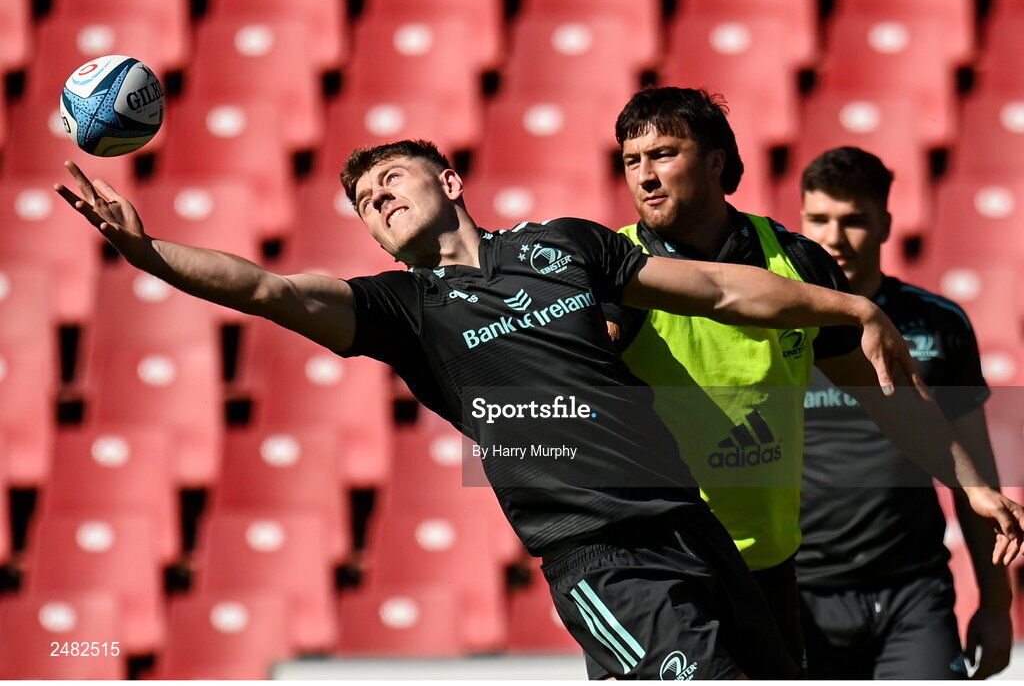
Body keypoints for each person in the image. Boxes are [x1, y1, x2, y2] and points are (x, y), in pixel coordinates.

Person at [54, 141, 1017, 681]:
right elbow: (266, 287)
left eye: (391, 176)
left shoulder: (566, 246)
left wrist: (849, 307)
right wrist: (154, 255)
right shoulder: (405, 311)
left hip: (694, 526)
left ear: (452, 180)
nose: (375, 197)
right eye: (362, 199)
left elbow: (725, 294)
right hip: (600, 552)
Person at [604, 86, 1020, 676]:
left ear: (717, 160)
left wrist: (971, 484)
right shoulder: (608, 271)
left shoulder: (797, 262)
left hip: (775, 570)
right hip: (666, 573)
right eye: (631, 161)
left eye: (664, 154)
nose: (644, 176)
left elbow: (885, 399)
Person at [796, 146, 1013, 679]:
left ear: (887, 224)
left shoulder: (939, 324)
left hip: (913, 593)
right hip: (799, 594)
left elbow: (975, 474)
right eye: (818, 219)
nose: (833, 238)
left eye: (854, 222)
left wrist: (997, 604)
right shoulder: (776, 324)